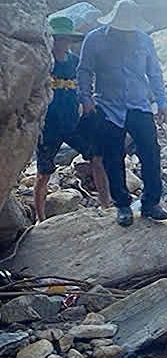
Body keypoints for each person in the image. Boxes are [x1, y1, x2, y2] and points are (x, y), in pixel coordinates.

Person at [77, 0, 167, 227]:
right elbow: (84, 70)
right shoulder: (95, 39)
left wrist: (161, 101)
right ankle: (122, 205)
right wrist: (86, 99)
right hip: (108, 107)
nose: (125, 34)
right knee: (112, 156)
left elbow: (154, 73)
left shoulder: (144, 40)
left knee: (150, 153)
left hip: (139, 105)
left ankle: (150, 203)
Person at [34, 16, 110, 220]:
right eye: (59, 38)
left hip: (72, 124)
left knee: (96, 157)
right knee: (44, 172)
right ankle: (40, 219)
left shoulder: (76, 63)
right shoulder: (43, 62)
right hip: (48, 126)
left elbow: (85, 87)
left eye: (66, 39)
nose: (63, 43)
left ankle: (106, 206)